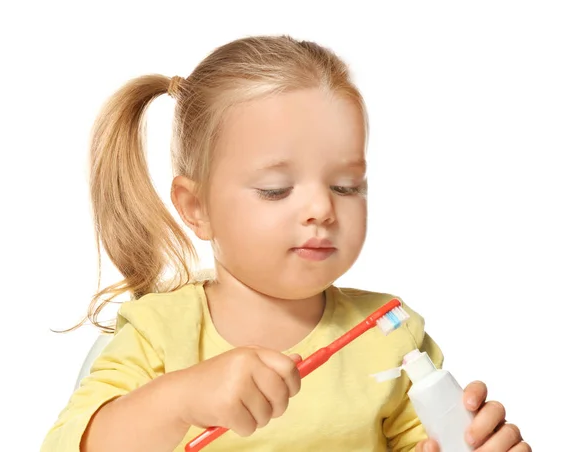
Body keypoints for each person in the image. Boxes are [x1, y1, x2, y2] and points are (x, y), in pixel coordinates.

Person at [41, 35, 530, 452]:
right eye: (275, 189)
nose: (323, 208)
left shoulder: (389, 334)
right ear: (197, 208)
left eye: (346, 186)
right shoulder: (159, 333)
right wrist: (181, 398)